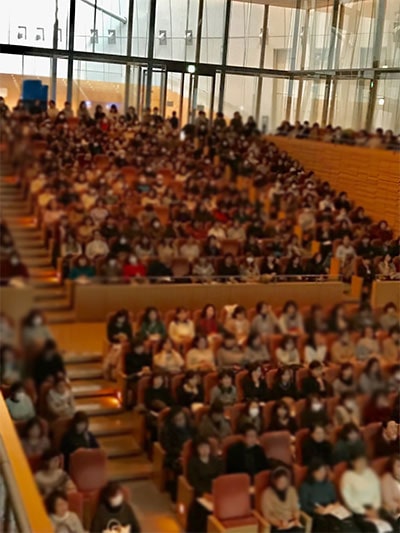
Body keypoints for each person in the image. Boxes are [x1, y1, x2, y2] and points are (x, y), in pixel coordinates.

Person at [340, 452, 393, 533]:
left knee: (391, 523)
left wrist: (375, 508)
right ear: (352, 462)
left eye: (364, 461)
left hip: (375, 508)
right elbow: (349, 500)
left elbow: (377, 492)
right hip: (358, 511)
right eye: (359, 461)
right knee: (372, 528)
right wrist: (365, 511)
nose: (362, 464)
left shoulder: (370, 473)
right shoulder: (347, 476)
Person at [299, 458, 354, 533]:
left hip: (330, 509)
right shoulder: (305, 486)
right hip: (316, 513)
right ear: (312, 472)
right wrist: (315, 510)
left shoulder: (328, 485)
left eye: (324, 471)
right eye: (319, 472)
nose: (322, 474)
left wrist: (335, 505)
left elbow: (334, 500)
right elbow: (303, 506)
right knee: (327, 524)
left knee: (347, 521)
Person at [186, 437, 224, 533]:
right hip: (201, 491)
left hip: (216, 490)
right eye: (201, 448)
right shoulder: (193, 462)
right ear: (197, 450)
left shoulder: (216, 460)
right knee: (201, 509)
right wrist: (204, 493)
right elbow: (193, 481)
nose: (204, 450)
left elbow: (221, 476)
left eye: (206, 447)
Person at [160, 407, 192, 500]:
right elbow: (167, 447)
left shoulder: (190, 428)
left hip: (189, 454)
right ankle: (175, 497)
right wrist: (181, 453)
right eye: (178, 419)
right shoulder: (167, 430)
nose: (181, 421)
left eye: (182, 418)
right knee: (179, 468)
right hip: (174, 456)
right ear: (173, 421)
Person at [261, 466, 302, 533]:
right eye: (280, 482)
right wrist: (279, 522)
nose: (283, 484)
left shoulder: (291, 490)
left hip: (291, 522)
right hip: (277, 524)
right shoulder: (267, 493)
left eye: (285, 481)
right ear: (274, 481)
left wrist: (296, 519)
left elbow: (296, 507)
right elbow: (267, 515)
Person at [381, 454, 400, 522]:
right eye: (398, 466)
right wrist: (398, 507)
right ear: (391, 467)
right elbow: (387, 501)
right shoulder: (386, 479)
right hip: (394, 515)